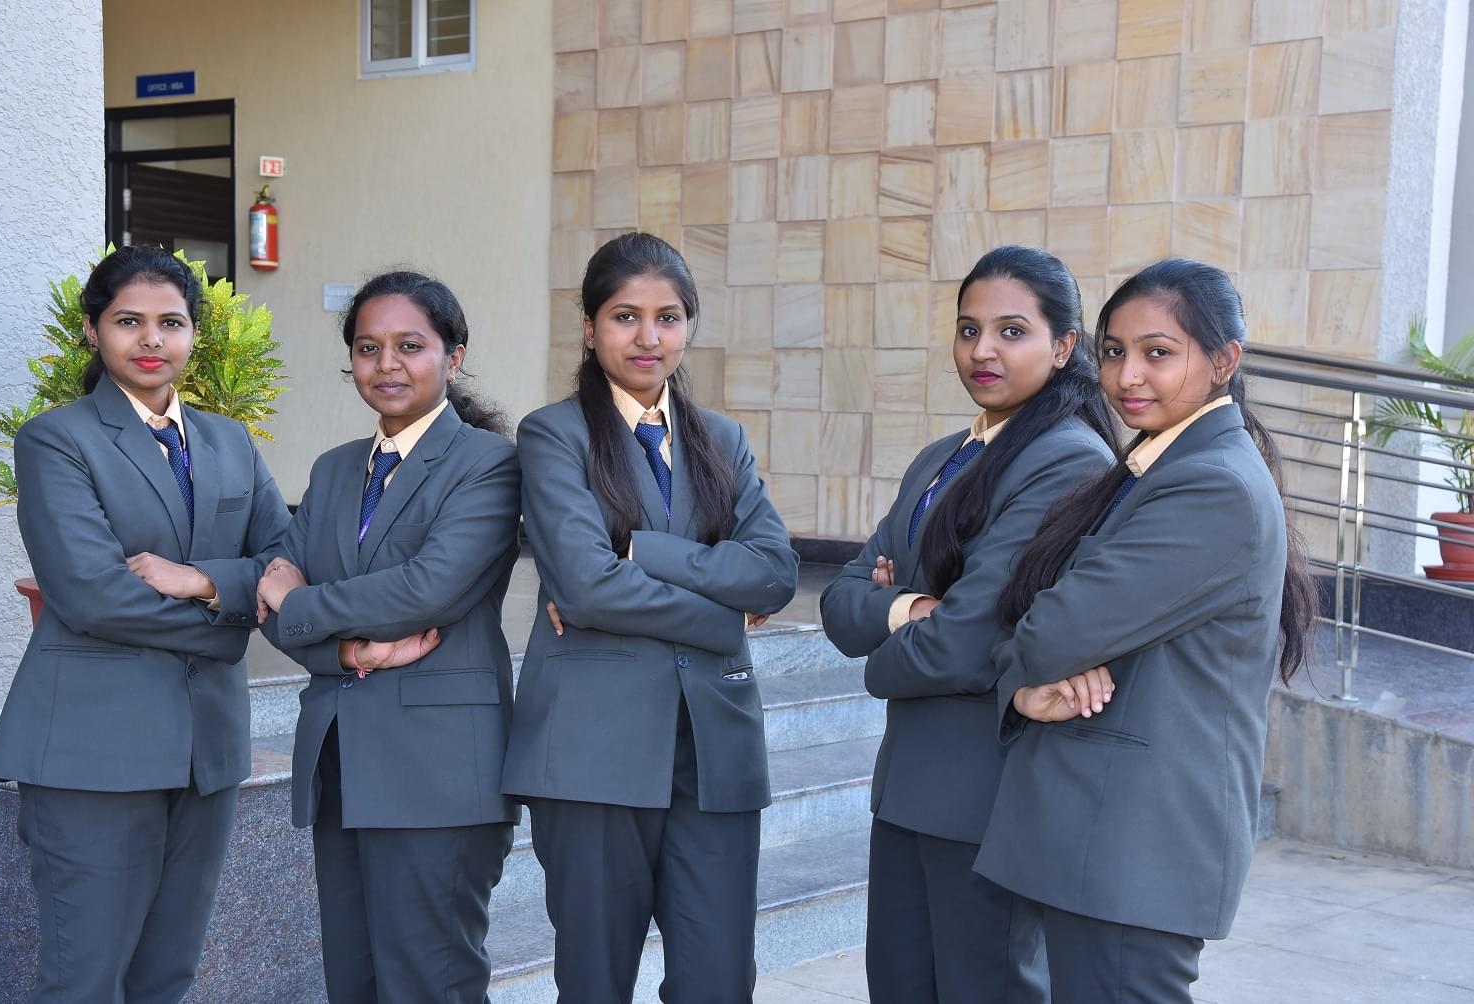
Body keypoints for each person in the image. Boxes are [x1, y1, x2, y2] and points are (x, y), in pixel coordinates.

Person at [977, 258, 1317, 1002]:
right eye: (1113, 351)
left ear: (1224, 361)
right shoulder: (1159, 464)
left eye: (1159, 352)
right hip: (1107, 845)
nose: (1128, 373)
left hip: (1137, 851)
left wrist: (1034, 661)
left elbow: (1048, 626)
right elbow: (1038, 625)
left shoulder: (1212, 484)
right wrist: (1031, 684)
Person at [0, 244, 291, 1003]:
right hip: (93, 753)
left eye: (171, 322)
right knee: (82, 980)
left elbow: (286, 559)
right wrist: (234, 617)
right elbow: (90, 596)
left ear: (194, 335)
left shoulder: (229, 442)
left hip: (208, 752)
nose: (151, 339)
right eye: (129, 321)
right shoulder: (58, 440)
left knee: (168, 975)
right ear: (92, 331)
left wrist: (202, 581)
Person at [502, 232, 799, 1004]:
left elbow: (773, 575)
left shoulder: (723, 441)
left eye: (668, 317)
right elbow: (588, 586)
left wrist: (643, 551)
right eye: (625, 317)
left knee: (718, 983)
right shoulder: (553, 435)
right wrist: (721, 616)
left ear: (689, 326)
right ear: (592, 327)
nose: (648, 337)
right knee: (596, 982)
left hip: (714, 747)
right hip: (592, 748)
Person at [820, 245, 1119, 1003]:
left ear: (1063, 346)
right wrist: (911, 607)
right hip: (911, 788)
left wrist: (880, 654)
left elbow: (967, 640)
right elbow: (840, 599)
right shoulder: (941, 458)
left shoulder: (1066, 460)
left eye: (1011, 331)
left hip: (989, 797)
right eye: (968, 328)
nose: (982, 350)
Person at [254, 271, 521, 1003]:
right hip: (342, 762)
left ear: (454, 357)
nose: (387, 364)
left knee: (430, 980)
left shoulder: (489, 466)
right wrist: (343, 650)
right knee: (355, 980)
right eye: (368, 348)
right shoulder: (336, 468)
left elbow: (426, 590)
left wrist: (300, 601)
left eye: (410, 345)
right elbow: (273, 605)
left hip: (439, 773)